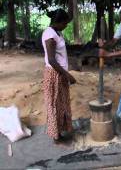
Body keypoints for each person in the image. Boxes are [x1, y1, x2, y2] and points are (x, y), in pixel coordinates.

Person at [42, 9, 76, 144]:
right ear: (58, 22)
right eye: (65, 23)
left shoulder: (57, 33)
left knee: (61, 104)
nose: (66, 25)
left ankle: (60, 132)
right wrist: (67, 75)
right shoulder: (49, 35)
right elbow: (51, 60)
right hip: (54, 74)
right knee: (55, 105)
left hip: (60, 73)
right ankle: (56, 137)